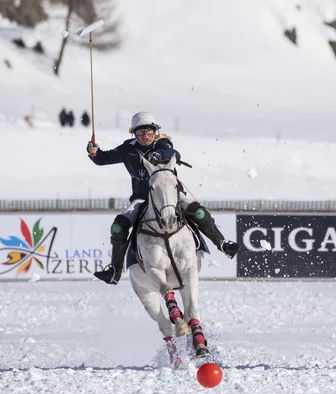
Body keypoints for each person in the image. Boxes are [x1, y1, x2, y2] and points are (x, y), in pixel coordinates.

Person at [87, 111, 240, 284]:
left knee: (199, 213)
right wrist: (94, 152)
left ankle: (222, 244)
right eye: (140, 132)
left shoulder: (163, 144)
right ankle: (115, 269)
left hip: (171, 197)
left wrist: (159, 155)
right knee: (117, 227)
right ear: (133, 133)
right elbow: (102, 159)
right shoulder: (127, 149)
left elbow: (174, 154)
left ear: (155, 132)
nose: (145, 135)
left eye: (149, 131)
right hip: (141, 199)